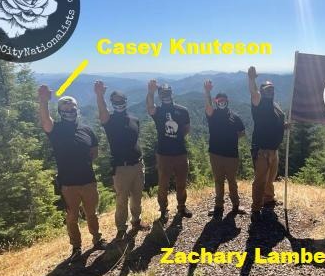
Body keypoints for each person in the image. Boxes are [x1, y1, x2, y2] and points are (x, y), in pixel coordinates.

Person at [38, 85, 107, 258]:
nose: (69, 111)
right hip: (68, 184)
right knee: (72, 218)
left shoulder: (87, 129)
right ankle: (76, 248)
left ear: (77, 109)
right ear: (60, 111)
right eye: (65, 109)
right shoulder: (56, 129)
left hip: (88, 181)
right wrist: (44, 101)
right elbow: (45, 120)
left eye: (72, 108)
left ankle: (97, 239)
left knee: (92, 213)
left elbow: (94, 152)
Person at [94, 80, 145, 241]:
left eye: (120, 100)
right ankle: (121, 229)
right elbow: (102, 113)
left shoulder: (134, 119)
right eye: (115, 101)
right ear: (111, 103)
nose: (118, 103)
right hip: (121, 168)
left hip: (138, 164)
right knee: (122, 200)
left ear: (125, 101)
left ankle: (136, 221)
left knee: (137, 197)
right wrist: (99, 95)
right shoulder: (109, 120)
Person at [146, 80, 192, 221]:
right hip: (164, 154)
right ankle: (163, 210)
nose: (165, 95)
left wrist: (174, 137)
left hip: (180, 153)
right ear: (159, 95)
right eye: (162, 93)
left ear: (171, 93)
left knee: (181, 183)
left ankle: (181, 207)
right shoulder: (158, 111)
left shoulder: (183, 111)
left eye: (167, 92)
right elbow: (149, 107)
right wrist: (151, 91)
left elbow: (186, 129)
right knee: (163, 184)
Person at [247, 66, 286, 222]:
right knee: (260, 180)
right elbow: (253, 93)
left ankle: (268, 199)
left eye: (271, 89)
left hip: (273, 149)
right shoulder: (259, 102)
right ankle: (256, 207)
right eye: (266, 89)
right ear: (262, 91)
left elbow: (275, 122)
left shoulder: (275, 105)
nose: (269, 91)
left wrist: (285, 126)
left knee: (271, 177)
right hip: (262, 150)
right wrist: (251, 79)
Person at [203, 79, 246, 216]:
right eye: (219, 100)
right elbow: (208, 107)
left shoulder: (235, 117)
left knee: (232, 181)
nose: (221, 102)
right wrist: (207, 92)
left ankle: (235, 206)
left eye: (223, 100)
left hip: (231, 155)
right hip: (215, 154)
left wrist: (231, 139)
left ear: (227, 101)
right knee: (218, 180)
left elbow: (242, 132)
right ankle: (218, 206)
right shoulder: (213, 114)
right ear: (216, 102)